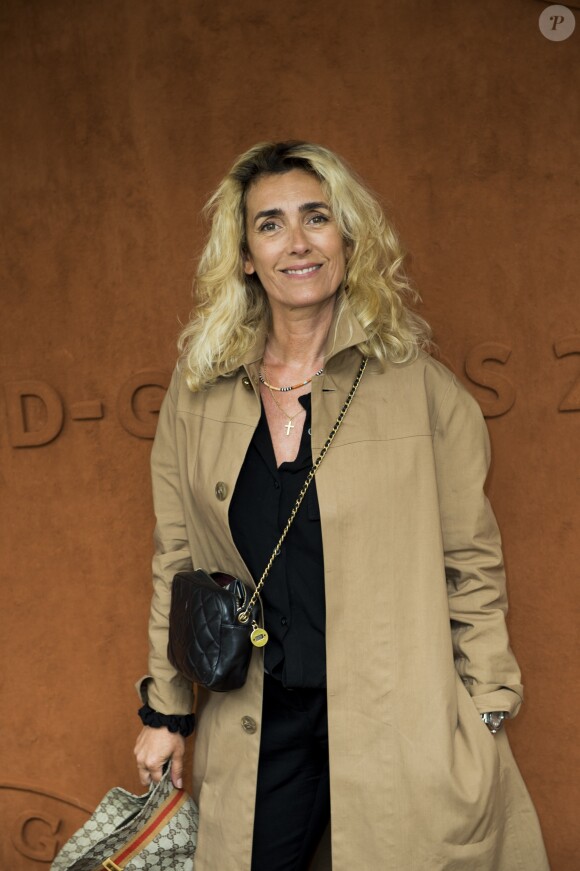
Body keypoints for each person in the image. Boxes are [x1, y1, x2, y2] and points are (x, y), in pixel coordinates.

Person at [133, 141, 549, 870]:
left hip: (399, 717)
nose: (297, 242)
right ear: (242, 255)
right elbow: (178, 559)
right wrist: (166, 710)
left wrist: (486, 702)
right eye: (270, 224)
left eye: (316, 217)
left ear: (349, 241)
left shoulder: (420, 389)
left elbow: (471, 559)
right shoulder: (196, 395)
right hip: (258, 719)